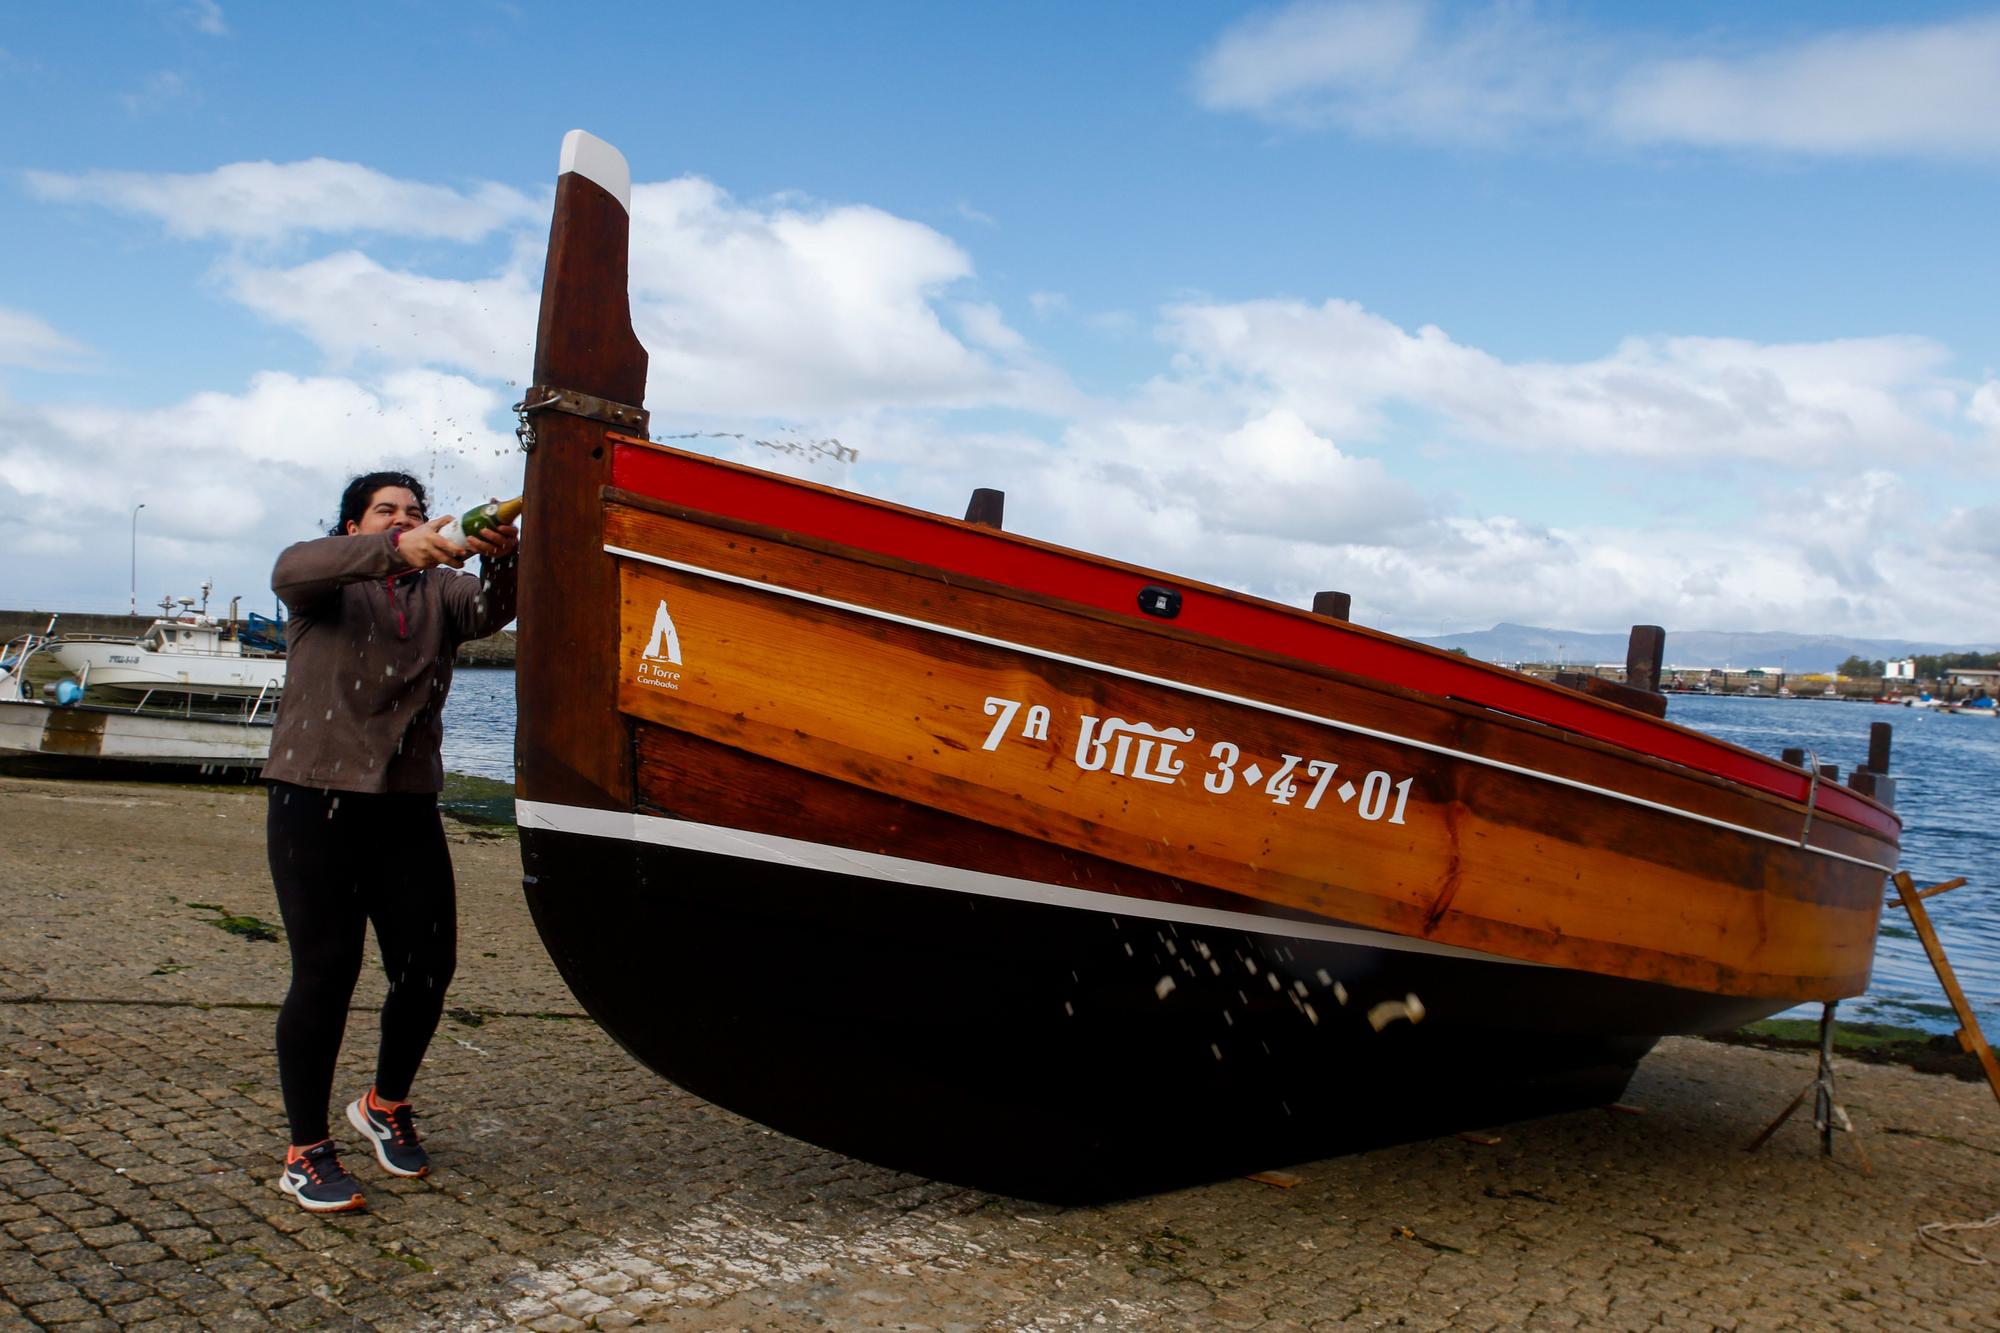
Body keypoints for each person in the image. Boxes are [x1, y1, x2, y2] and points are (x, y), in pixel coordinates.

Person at [263, 470, 518, 1213]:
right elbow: (290, 567)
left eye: (412, 510)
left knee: (427, 965)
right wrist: (404, 545)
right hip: (313, 798)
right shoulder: (325, 587)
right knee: (325, 971)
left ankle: (384, 1102)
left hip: (406, 804)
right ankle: (305, 1148)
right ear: (354, 526)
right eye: (384, 511)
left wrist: (501, 554)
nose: (402, 519)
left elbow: (495, 608)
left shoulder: (441, 593)